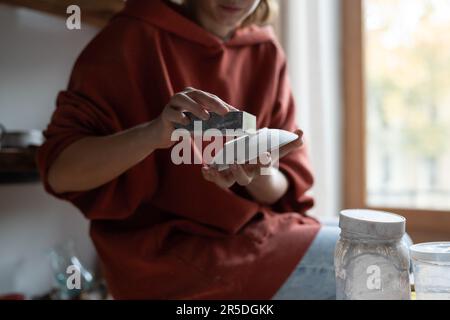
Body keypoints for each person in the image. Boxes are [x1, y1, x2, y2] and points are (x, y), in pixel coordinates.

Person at [38, 0, 338, 299]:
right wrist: (153, 134)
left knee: (371, 238)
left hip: (254, 234)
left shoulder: (265, 51)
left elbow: (281, 191)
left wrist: (260, 170)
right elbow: (60, 173)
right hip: (162, 259)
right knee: (369, 260)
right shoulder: (130, 38)